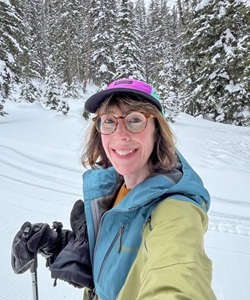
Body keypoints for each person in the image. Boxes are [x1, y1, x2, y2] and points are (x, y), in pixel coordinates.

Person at [11, 78, 217, 300]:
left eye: (135, 120)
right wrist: (57, 244)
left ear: (157, 130)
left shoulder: (176, 210)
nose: (120, 135)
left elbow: (177, 278)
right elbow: (118, 263)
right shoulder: (116, 187)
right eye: (109, 121)